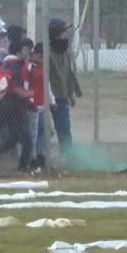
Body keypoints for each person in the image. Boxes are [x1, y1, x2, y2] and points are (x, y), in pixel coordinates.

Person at [0, 38, 34, 169]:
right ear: (18, 50)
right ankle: (24, 165)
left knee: (15, 136)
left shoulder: (8, 63)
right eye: (26, 49)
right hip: (13, 104)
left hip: (7, 104)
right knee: (26, 137)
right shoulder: (15, 65)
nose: (28, 52)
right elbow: (14, 87)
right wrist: (29, 94)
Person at [48, 19, 81, 153]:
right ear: (55, 34)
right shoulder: (48, 53)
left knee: (64, 128)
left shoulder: (66, 52)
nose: (65, 36)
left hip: (61, 96)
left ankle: (67, 155)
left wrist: (72, 93)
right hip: (47, 96)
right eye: (63, 33)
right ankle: (40, 156)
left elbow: (69, 73)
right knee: (43, 130)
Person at [24, 42, 54, 172]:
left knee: (48, 131)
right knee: (33, 133)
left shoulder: (44, 67)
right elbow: (26, 85)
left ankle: (41, 155)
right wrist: (29, 100)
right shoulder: (29, 66)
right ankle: (33, 159)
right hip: (34, 104)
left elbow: (47, 85)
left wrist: (52, 100)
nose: (42, 59)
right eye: (41, 56)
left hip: (44, 104)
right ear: (36, 54)